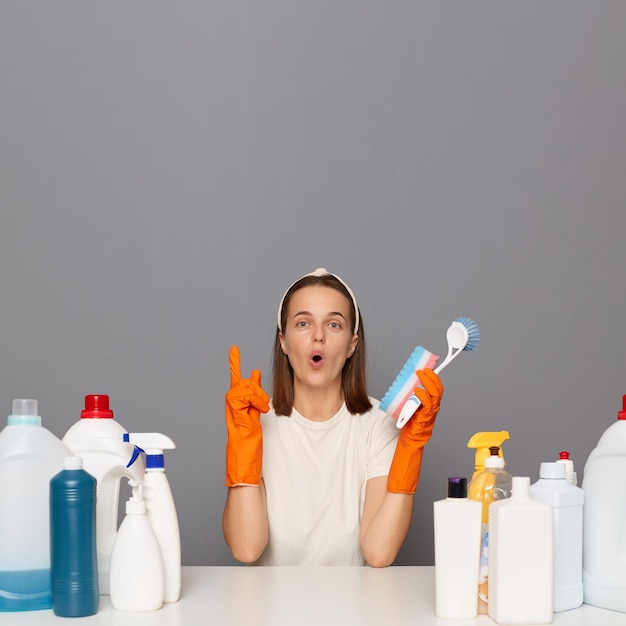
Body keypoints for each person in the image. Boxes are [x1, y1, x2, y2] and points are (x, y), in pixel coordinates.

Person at [222, 268, 443, 566]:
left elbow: (379, 553)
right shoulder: (256, 422)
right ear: (284, 341)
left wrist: (412, 446)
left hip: (355, 607)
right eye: (303, 323)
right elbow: (246, 548)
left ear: (352, 345)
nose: (318, 336)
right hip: (270, 607)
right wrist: (242, 446)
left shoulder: (379, 425)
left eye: (334, 325)